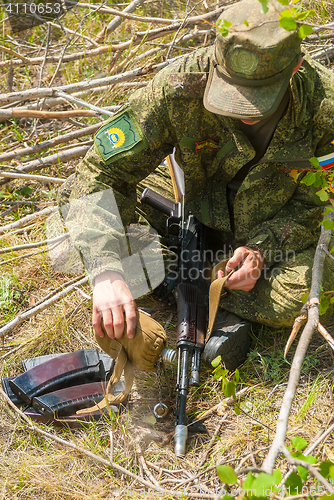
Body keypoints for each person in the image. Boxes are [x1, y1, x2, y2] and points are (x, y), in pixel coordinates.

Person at [58, 0, 334, 369]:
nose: (240, 109)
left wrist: (261, 250)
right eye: (232, 93)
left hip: (272, 221)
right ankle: (181, 279)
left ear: (295, 68)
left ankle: (170, 278)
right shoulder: (178, 87)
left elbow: (318, 206)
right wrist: (106, 272)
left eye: (258, 99)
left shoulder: (324, 108)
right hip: (191, 201)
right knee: (80, 201)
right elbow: (100, 172)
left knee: (310, 291)